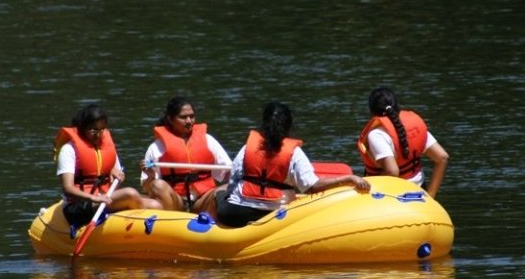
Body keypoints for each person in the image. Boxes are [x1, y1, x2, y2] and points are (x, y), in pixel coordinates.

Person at [216, 102, 371, 228]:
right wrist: (349, 178)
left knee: (219, 194)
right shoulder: (294, 153)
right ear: (289, 126)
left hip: (236, 214)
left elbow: (233, 181)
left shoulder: (247, 148)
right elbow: (312, 187)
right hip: (276, 216)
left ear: (263, 124)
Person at [55, 103, 162, 227]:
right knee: (130, 193)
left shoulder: (105, 147)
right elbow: (68, 189)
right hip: (79, 205)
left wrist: (116, 173)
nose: (98, 134)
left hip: (105, 199)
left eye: (102, 129)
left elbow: (117, 177)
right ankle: (141, 227)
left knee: (156, 205)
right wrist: (93, 198)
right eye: (93, 130)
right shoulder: (69, 149)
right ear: (82, 128)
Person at [139, 96, 232, 216]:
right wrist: (151, 176)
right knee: (157, 185)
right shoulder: (156, 147)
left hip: (203, 200)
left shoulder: (209, 141)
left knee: (228, 187)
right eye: (183, 117)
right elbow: (147, 189)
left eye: (192, 116)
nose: (189, 121)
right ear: (170, 119)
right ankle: (172, 222)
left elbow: (228, 172)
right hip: (176, 203)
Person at [357, 87, 449, 198]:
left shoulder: (377, 134)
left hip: (392, 197)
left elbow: (392, 172)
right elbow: (442, 157)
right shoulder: (413, 124)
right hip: (420, 191)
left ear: (372, 112)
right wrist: (431, 196)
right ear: (396, 105)